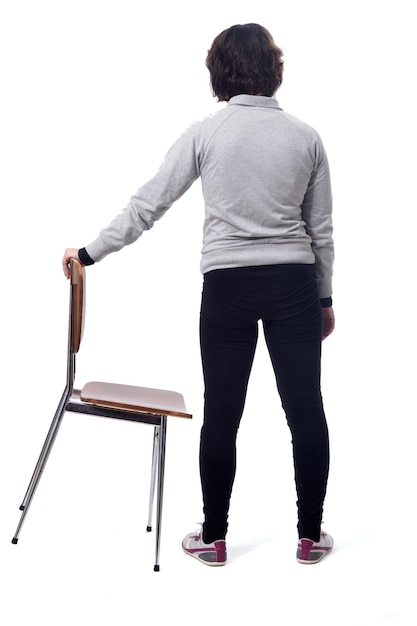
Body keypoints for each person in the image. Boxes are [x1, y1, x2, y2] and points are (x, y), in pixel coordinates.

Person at [63, 23, 335, 567]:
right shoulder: (305, 137)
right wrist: (324, 299)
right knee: (306, 410)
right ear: (273, 71)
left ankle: (213, 539)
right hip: (294, 283)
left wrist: (88, 253)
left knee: (222, 413)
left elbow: (148, 207)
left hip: (228, 286)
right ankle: (310, 538)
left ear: (219, 71)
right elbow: (320, 228)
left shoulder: (206, 133)